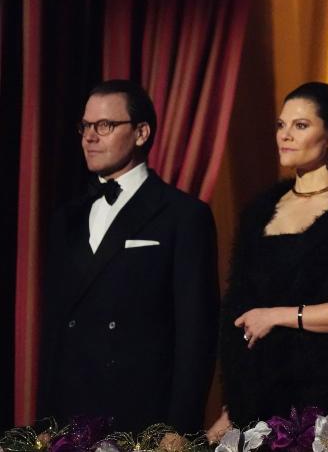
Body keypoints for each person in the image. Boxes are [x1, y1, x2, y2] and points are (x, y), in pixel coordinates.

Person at [37, 80, 219, 432]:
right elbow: (54, 330)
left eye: (104, 126)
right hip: (70, 417)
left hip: (141, 418)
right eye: (86, 126)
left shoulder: (183, 215)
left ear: (141, 133)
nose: (90, 137)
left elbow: (196, 333)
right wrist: (45, 423)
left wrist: (179, 428)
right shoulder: (66, 218)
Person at [211, 82, 328, 433]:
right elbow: (239, 311)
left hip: (326, 400)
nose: (285, 136)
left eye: (301, 125)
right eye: (281, 125)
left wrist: (276, 316)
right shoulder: (261, 210)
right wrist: (231, 407)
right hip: (258, 398)